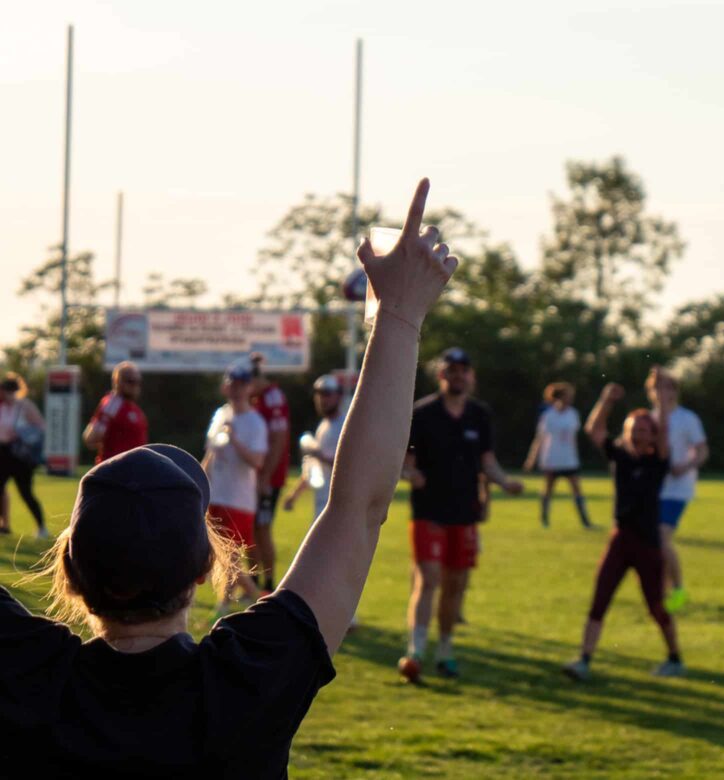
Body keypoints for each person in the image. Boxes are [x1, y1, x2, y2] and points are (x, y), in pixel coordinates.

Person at [0, 177, 456, 776]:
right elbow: (359, 507)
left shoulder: (25, 676)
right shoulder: (249, 681)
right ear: (202, 568)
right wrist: (399, 315)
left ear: (68, 570)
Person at [399, 348, 523, 681]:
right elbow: (405, 465)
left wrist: (505, 483)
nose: (458, 376)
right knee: (428, 580)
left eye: (464, 371)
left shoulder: (479, 415)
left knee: (455, 585)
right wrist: (413, 476)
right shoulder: (422, 414)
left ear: (471, 376)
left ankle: (445, 650)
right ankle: (416, 650)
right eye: (452, 371)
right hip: (428, 511)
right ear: (442, 375)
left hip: (464, 513)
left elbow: (487, 462)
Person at [562, 374, 683, 681]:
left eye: (643, 430)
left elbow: (666, 432)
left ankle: (674, 657)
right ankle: (584, 660)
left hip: (648, 543)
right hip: (620, 539)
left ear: (652, 436)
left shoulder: (659, 462)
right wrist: (606, 400)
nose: (637, 434)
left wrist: (662, 403)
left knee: (656, 606)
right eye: (632, 429)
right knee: (600, 597)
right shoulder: (620, 456)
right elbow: (593, 429)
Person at [203, 362, 267, 617]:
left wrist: (235, 440)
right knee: (223, 552)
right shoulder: (220, 414)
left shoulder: (255, 422)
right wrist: (199, 477)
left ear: (250, 388)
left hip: (239, 498)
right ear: (226, 386)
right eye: (234, 384)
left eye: (243, 385)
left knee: (227, 554)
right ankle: (225, 603)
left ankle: (257, 597)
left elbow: (257, 461)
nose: (237, 390)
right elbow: (210, 453)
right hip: (217, 493)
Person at [645, 369, 708, 613]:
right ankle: (662, 591)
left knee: (662, 537)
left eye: (667, 387)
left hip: (678, 489)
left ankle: (678, 589)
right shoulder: (648, 420)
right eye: (656, 388)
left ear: (674, 391)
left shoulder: (687, 419)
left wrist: (686, 465)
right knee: (654, 542)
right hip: (653, 489)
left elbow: (702, 450)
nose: (662, 392)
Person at [249, 353, 291, 594]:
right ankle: (253, 583)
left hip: (267, 479)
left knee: (262, 528)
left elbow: (279, 439)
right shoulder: (257, 398)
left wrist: (265, 477)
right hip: (252, 476)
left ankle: (268, 583)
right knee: (249, 528)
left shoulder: (272, 397)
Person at [524, 382, 591, 529]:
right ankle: (544, 519)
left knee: (577, 489)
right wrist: (532, 458)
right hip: (552, 459)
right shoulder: (548, 416)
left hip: (569, 460)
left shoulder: (573, 414)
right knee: (548, 489)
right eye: (568, 396)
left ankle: (585, 521)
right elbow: (539, 438)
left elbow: (573, 437)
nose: (570, 399)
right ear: (559, 397)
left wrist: (575, 456)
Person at [283, 374, 346, 521]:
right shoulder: (323, 426)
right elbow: (314, 467)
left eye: (327, 394)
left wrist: (319, 455)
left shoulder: (345, 425)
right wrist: (294, 495)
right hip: (322, 504)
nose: (322, 399)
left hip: (338, 508)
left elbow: (350, 466)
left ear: (339, 396)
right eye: (319, 394)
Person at [0, 373, 47, 538]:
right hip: (3, 453)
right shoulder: (2, 406)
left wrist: (21, 433)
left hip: (20, 455)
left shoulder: (24, 406)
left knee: (26, 493)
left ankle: (41, 527)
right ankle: (4, 526)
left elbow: (41, 427)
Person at [83, 361, 148, 463]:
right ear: (117, 381)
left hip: (133, 471)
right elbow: (91, 439)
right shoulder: (112, 404)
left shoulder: (135, 409)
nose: (135, 386)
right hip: (114, 471)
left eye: (137, 381)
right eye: (130, 381)